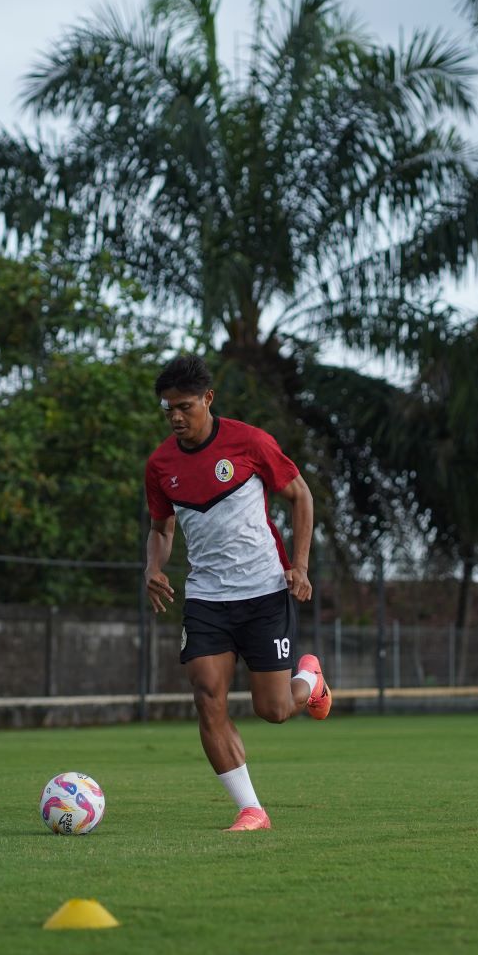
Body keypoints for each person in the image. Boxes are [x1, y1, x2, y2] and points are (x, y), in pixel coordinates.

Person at [143, 355, 331, 832]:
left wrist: (300, 567)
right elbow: (161, 529)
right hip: (206, 598)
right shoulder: (161, 464)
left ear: (208, 399)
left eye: (184, 406)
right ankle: (252, 809)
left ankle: (309, 680)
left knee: (273, 710)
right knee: (207, 696)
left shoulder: (249, 442)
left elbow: (301, 496)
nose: (176, 417)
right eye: (168, 410)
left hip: (265, 591)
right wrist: (153, 567)